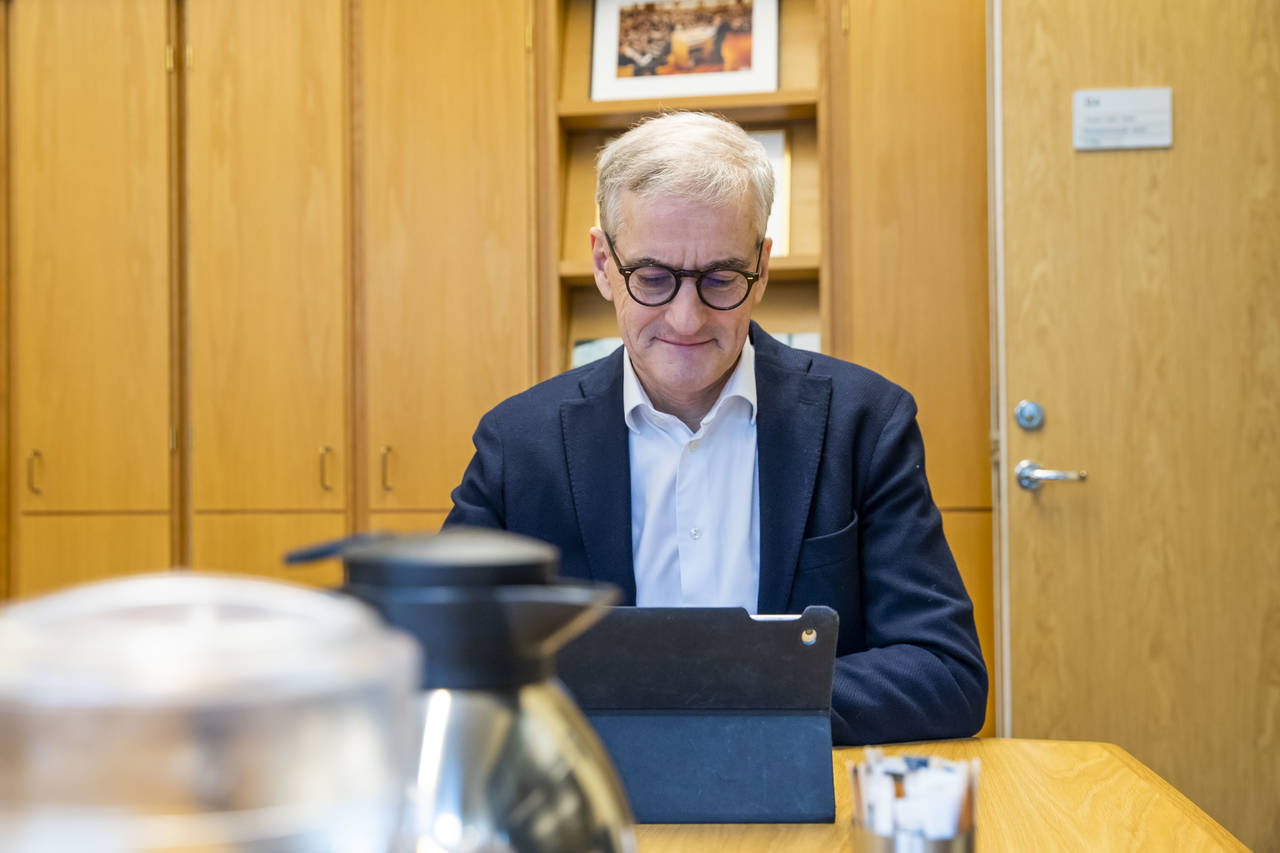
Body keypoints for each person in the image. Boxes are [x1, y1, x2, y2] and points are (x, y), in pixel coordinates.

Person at [446, 111, 987, 745]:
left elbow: (945, 673)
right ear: (601, 263)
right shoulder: (518, 444)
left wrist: (729, 696)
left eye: (720, 279)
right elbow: (445, 656)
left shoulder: (863, 423)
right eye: (651, 278)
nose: (686, 317)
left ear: (762, 267)